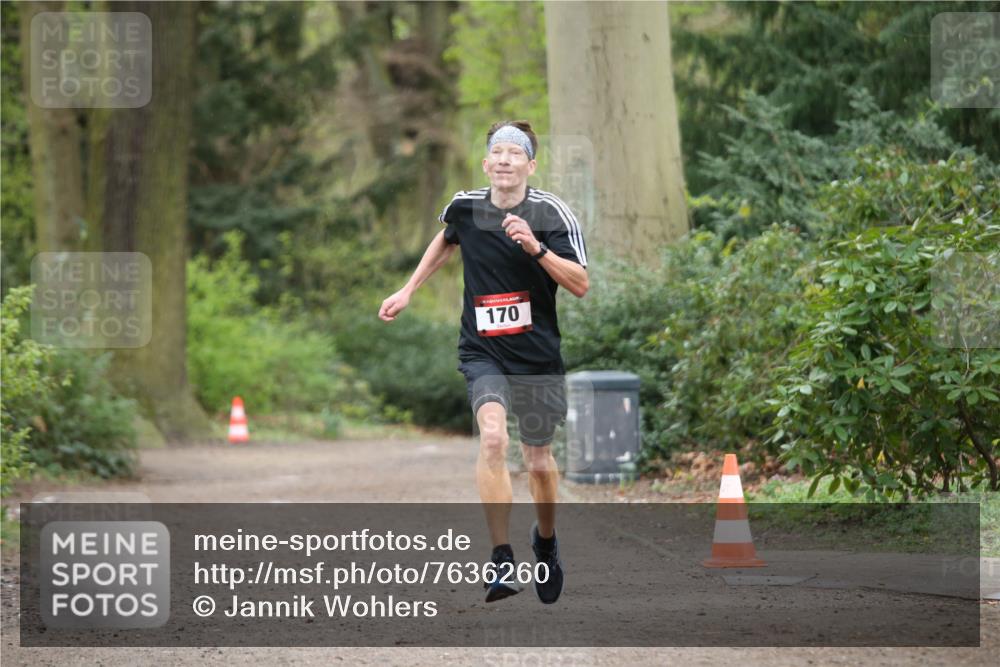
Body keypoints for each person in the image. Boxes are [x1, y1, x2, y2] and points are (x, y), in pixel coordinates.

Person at [378, 120, 588, 604]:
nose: (506, 159)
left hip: (536, 355)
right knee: (493, 437)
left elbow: (580, 283)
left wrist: (535, 249)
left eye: (517, 153)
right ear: (486, 163)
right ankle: (500, 561)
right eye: (498, 152)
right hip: (483, 349)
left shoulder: (551, 213)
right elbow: (446, 240)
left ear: (530, 166)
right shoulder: (466, 207)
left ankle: (547, 542)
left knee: (538, 462)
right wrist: (408, 290)